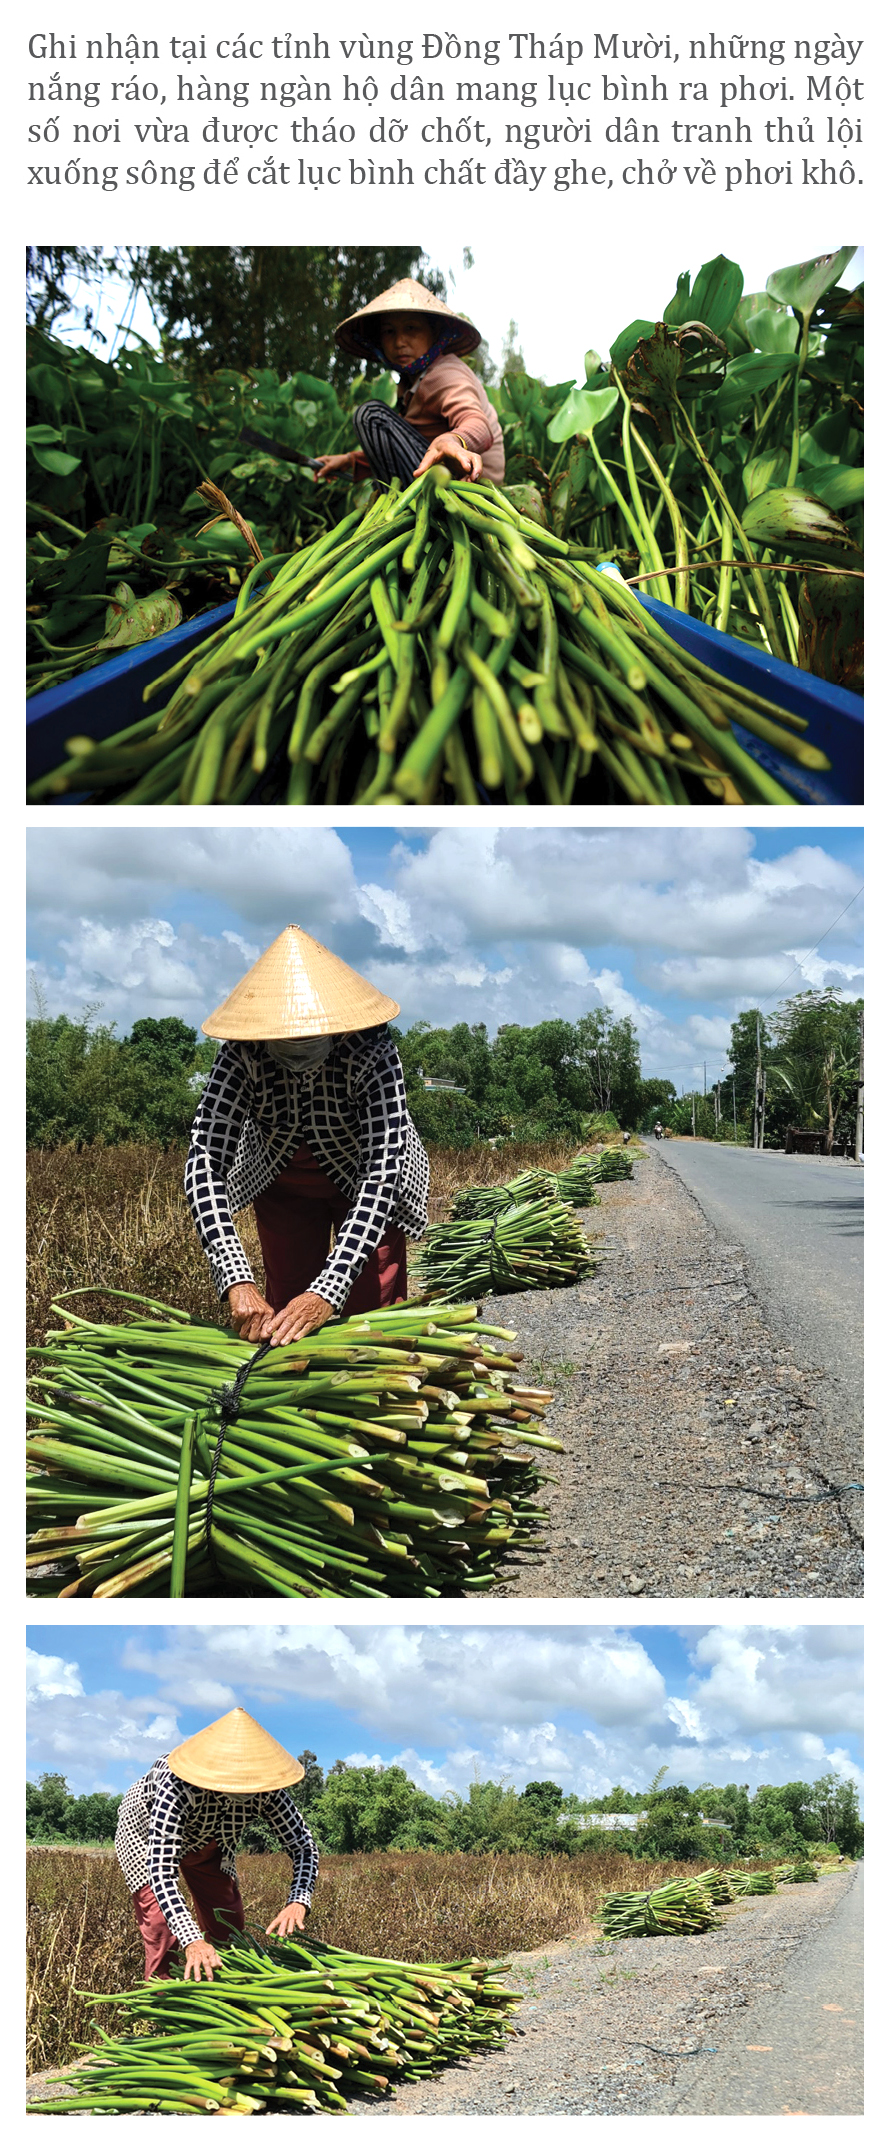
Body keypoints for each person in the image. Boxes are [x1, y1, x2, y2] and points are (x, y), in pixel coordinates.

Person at [185, 924, 429, 1346]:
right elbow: (205, 1158)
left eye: (309, 1034)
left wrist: (328, 1291)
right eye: (286, 1036)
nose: (298, 1043)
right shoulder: (242, 1052)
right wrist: (235, 1278)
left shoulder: (372, 1049)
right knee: (287, 1320)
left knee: (370, 1317)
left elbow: (381, 1171)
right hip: (280, 1181)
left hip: (366, 1182)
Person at [114, 1708, 318, 1982]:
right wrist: (192, 1940)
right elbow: (161, 1872)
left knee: (228, 1924)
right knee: (164, 1931)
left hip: (211, 1841)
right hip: (145, 1835)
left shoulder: (268, 1790)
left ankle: (225, 1991)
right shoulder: (178, 1786)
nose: (248, 1789)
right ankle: (166, 2008)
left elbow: (303, 1846)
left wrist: (298, 1900)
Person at [312, 278, 505, 490]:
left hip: (470, 487)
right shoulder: (409, 384)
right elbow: (403, 448)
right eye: (389, 332)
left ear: (435, 334)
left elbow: (477, 423)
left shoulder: (444, 373)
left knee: (370, 415)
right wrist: (350, 460)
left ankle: (404, 509)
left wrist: (453, 441)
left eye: (411, 328)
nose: (399, 342)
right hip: (442, 477)